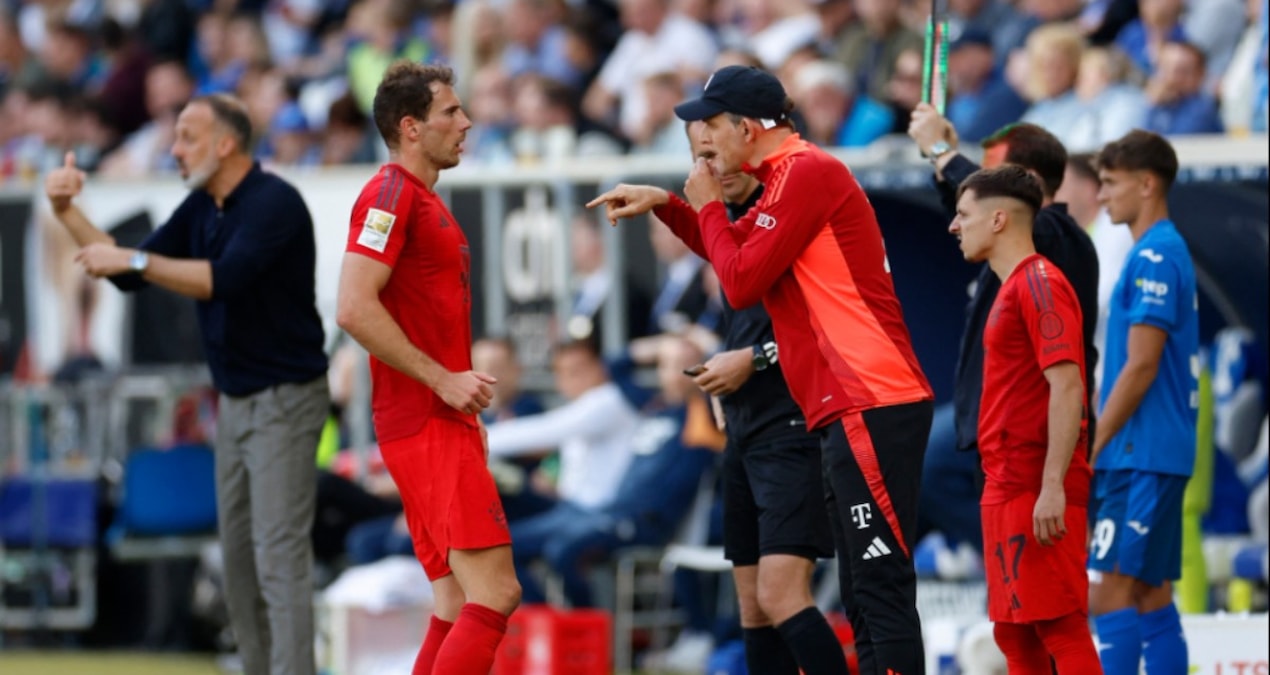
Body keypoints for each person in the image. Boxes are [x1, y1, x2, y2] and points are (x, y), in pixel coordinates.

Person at [589, 64, 934, 675]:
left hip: (869, 394)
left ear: (747, 127)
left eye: (711, 125)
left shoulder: (807, 172)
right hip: (847, 401)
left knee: (876, 586)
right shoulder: (786, 176)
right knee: (858, 589)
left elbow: (742, 280)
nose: (702, 141)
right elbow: (738, 248)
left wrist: (698, 207)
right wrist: (670, 205)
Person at [44, 93, 330, 675]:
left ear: (225, 144)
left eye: (186, 137)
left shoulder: (275, 202)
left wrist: (139, 264)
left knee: (278, 557)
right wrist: (67, 212)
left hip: (287, 401)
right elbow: (128, 271)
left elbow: (220, 280)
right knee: (240, 561)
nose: (173, 149)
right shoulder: (203, 207)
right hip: (236, 404)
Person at [335, 62, 521, 675]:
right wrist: (444, 382)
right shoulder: (389, 193)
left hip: (433, 420)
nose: (466, 122)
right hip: (425, 419)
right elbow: (354, 307)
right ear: (411, 127)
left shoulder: (415, 198)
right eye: (451, 112)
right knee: (495, 593)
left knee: (456, 598)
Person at [683, 119, 845, 674]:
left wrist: (752, 360)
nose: (711, 168)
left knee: (781, 596)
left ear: (746, 141)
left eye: (716, 152)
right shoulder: (732, 227)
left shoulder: (791, 210)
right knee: (753, 605)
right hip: (745, 429)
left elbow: (829, 327)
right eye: (699, 158)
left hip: (794, 425)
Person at [951, 165, 1102, 673]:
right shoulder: (1012, 287)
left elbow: (1068, 385)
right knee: (1014, 633)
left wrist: (1053, 484)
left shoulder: (1039, 283)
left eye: (963, 214)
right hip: (1005, 481)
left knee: (1061, 625)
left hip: (1035, 483)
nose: (954, 226)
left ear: (998, 220)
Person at [907, 106, 1100, 497]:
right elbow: (972, 218)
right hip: (1004, 433)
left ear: (1024, 182)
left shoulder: (1058, 234)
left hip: (1037, 439)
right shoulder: (1014, 243)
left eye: (989, 174)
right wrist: (942, 160)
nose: (977, 187)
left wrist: (942, 150)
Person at [1087, 130, 1197, 675]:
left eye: (1110, 183)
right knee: (1150, 596)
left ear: (1147, 183)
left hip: (1139, 452)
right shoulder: (1158, 250)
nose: (1102, 195)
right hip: (1152, 452)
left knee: (1108, 596)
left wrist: (1094, 441)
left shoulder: (1154, 255)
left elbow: (1141, 365)